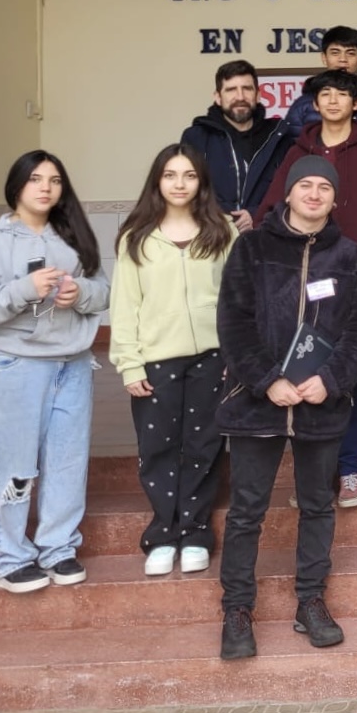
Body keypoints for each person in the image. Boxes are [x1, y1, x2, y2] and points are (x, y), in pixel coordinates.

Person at [215, 156, 357, 660]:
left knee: (317, 507)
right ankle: (237, 610)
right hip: (256, 405)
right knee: (246, 513)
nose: (313, 194)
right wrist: (268, 380)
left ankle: (311, 601)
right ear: (287, 194)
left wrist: (329, 381)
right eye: (304, 185)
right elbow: (233, 322)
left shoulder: (351, 257)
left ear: (333, 198)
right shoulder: (251, 249)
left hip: (320, 407)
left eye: (323, 187)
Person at [0, 151, 109, 593]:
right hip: (12, 365)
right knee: (13, 465)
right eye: (35, 179)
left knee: (67, 462)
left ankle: (59, 548)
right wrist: (26, 289)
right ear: (17, 187)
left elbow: (102, 292)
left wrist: (80, 292)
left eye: (55, 180)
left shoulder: (73, 237)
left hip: (73, 363)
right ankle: (8, 558)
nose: (46, 187)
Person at [256, 68, 357, 505]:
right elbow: (271, 210)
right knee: (302, 373)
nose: (334, 100)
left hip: (353, 284)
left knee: (349, 378)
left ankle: (351, 471)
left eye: (343, 94)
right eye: (325, 94)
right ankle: (313, 477)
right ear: (314, 103)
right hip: (298, 286)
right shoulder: (297, 151)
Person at [111, 143, 235, 577]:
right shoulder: (137, 238)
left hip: (212, 358)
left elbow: (236, 301)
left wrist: (234, 355)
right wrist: (129, 363)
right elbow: (124, 306)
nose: (179, 183)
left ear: (201, 182)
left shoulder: (222, 231)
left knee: (204, 446)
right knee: (158, 447)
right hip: (156, 360)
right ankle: (163, 533)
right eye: (170, 175)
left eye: (188, 175)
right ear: (157, 181)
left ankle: (197, 532)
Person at [181, 59, 292, 232]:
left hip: (269, 238)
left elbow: (292, 189)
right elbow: (186, 189)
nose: (240, 97)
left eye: (247, 89)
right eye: (231, 89)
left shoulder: (280, 136)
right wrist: (222, 217)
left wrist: (256, 214)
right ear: (217, 97)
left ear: (258, 95)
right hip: (212, 237)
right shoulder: (195, 137)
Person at [282, 26, 357, 144]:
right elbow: (293, 153)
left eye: (350, 53)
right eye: (335, 53)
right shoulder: (303, 105)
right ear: (324, 57)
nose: (343, 59)